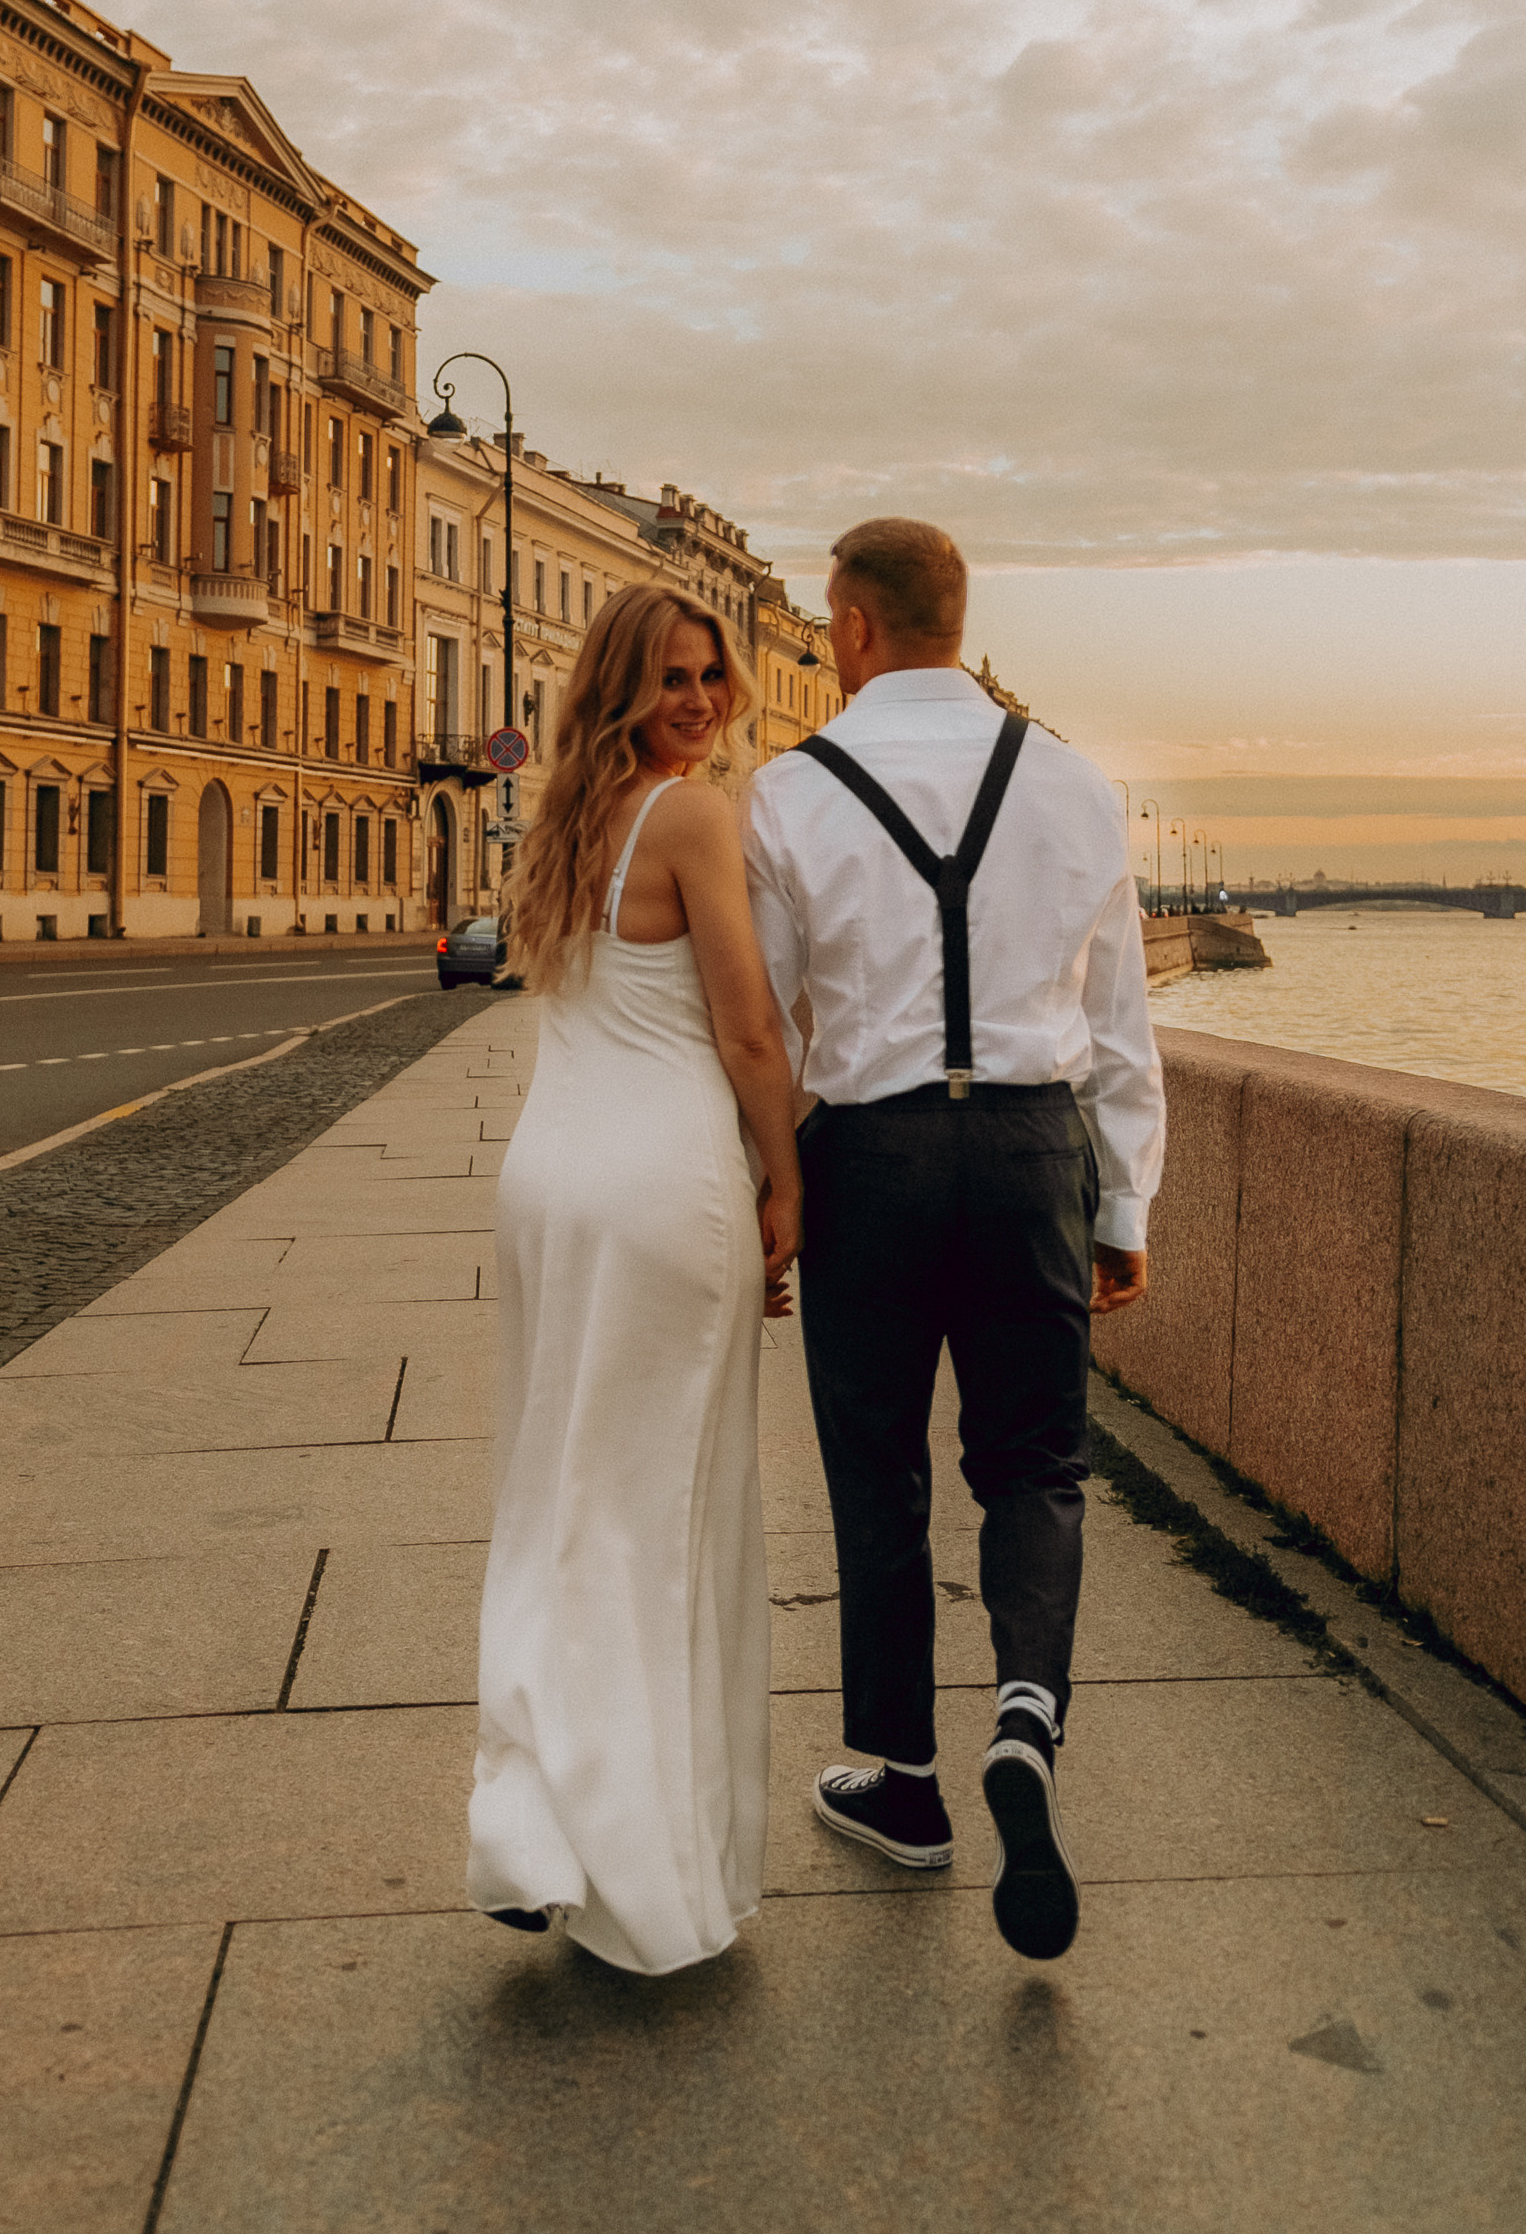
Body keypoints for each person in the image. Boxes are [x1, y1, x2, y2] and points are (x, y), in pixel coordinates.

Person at [743, 518, 1164, 1962]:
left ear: (851, 628)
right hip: (1035, 1147)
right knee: (1037, 1464)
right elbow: (1119, 1024)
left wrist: (770, 1197)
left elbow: (774, 1031)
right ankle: (1027, 1721)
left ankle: (904, 1784)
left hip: (870, 1151)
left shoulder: (790, 794)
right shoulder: (1073, 785)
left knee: (878, 1474)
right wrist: (1121, 1204)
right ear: (958, 616)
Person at [466, 584, 804, 1974]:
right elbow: (745, 1030)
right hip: (663, 1191)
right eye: (673, 677)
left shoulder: (562, 822)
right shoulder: (688, 815)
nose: (701, 699)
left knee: (560, 1502)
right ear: (621, 685)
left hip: (552, 1182)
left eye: (712, 675)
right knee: (658, 1520)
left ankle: (529, 1821)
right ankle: (628, 1865)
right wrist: (786, 1179)